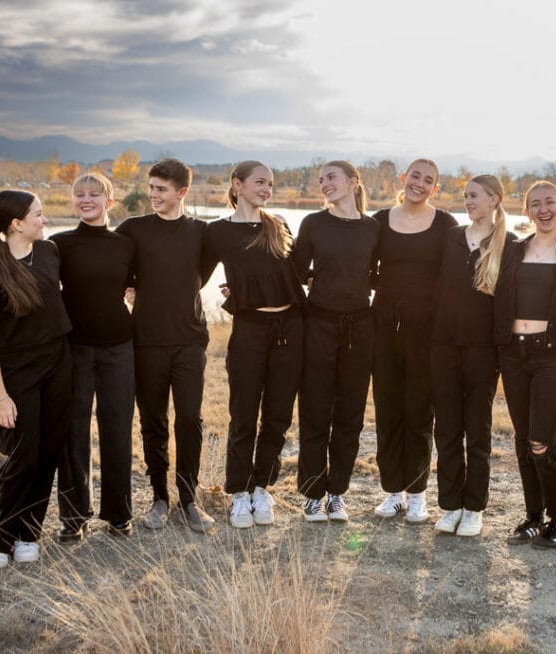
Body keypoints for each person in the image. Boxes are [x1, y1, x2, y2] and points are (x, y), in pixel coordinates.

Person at [115, 158, 218, 533]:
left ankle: (189, 499)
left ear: (182, 192)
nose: (153, 195)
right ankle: (160, 497)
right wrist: (134, 290)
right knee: (153, 421)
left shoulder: (202, 233)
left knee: (189, 419)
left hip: (190, 340)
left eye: (161, 189)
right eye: (151, 188)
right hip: (146, 341)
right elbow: (120, 274)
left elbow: (198, 278)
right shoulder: (132, 229)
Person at [204, 161, 305, 529]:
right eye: (260, 182)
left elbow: (293, 274)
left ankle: (263, 486)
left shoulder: (277, 224)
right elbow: (193, 275)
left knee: (277, 417)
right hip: (249, 330)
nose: (267, 189)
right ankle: (238, 492)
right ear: (237, 184)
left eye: (271, 184)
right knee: (244, 416)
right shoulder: (216, 232)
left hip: (290, 329)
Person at [0, 190, 72, 568]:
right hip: (19, 372)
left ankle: (29, 532)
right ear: (15, 223)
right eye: (37, 214)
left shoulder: (47, 252)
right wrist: (0, 397)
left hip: (58, 362)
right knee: (23, 456)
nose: (44, 219)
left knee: (49, 451)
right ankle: (0, 538)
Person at [494, 180, 556, 550]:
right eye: (535, 203)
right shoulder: (513, 250)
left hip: (552, 356)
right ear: (527, 211)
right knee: (521, 440)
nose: (543, 209)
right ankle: (534, 517)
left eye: (550, 201)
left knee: (542, 442)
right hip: (513, 354)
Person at [293, 160, 380, 522]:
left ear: (352, 182)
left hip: (360, 328)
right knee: (315, 410)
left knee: (350, 414)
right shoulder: (313, 223)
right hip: (319, 326)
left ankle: (336, 494)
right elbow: (296, 271)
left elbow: (378, 273)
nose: (324, 184)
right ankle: (313, 494)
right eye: (320, 180)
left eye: (331, 177)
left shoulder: (374, 228)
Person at [51, 173, 136, 540]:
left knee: (117, 429)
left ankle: (119, 515)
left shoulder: (126, 245)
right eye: (79, 194)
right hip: (74, 351)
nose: (86, 199)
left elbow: (148, 285)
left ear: (109, 201)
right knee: (73, 433)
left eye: (94, 194)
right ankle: (74, 518)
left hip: (119, 347)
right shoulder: (58, 245)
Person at [371, 159, 456, 523]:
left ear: (435, 188)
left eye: (429, 180)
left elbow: (453, 276)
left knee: (420, 411)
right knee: (388, 409)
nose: (420, 184)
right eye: (415, 176)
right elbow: (362, 267)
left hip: (427, 329)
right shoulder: (378, 221)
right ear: (403, 179)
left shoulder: (445, 225)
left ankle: (418, 494)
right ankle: (393, 492)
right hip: (384, 324)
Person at [431, 174, 513, 537]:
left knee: (476, 431)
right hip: (443, 345)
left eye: (474, 196)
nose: (467, 201)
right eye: (465, 196)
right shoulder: (451, 237)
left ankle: (474, 507)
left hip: (483, 350)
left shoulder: (509, 244)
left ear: (494, 200)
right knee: (446, 428)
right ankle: (450, 505)